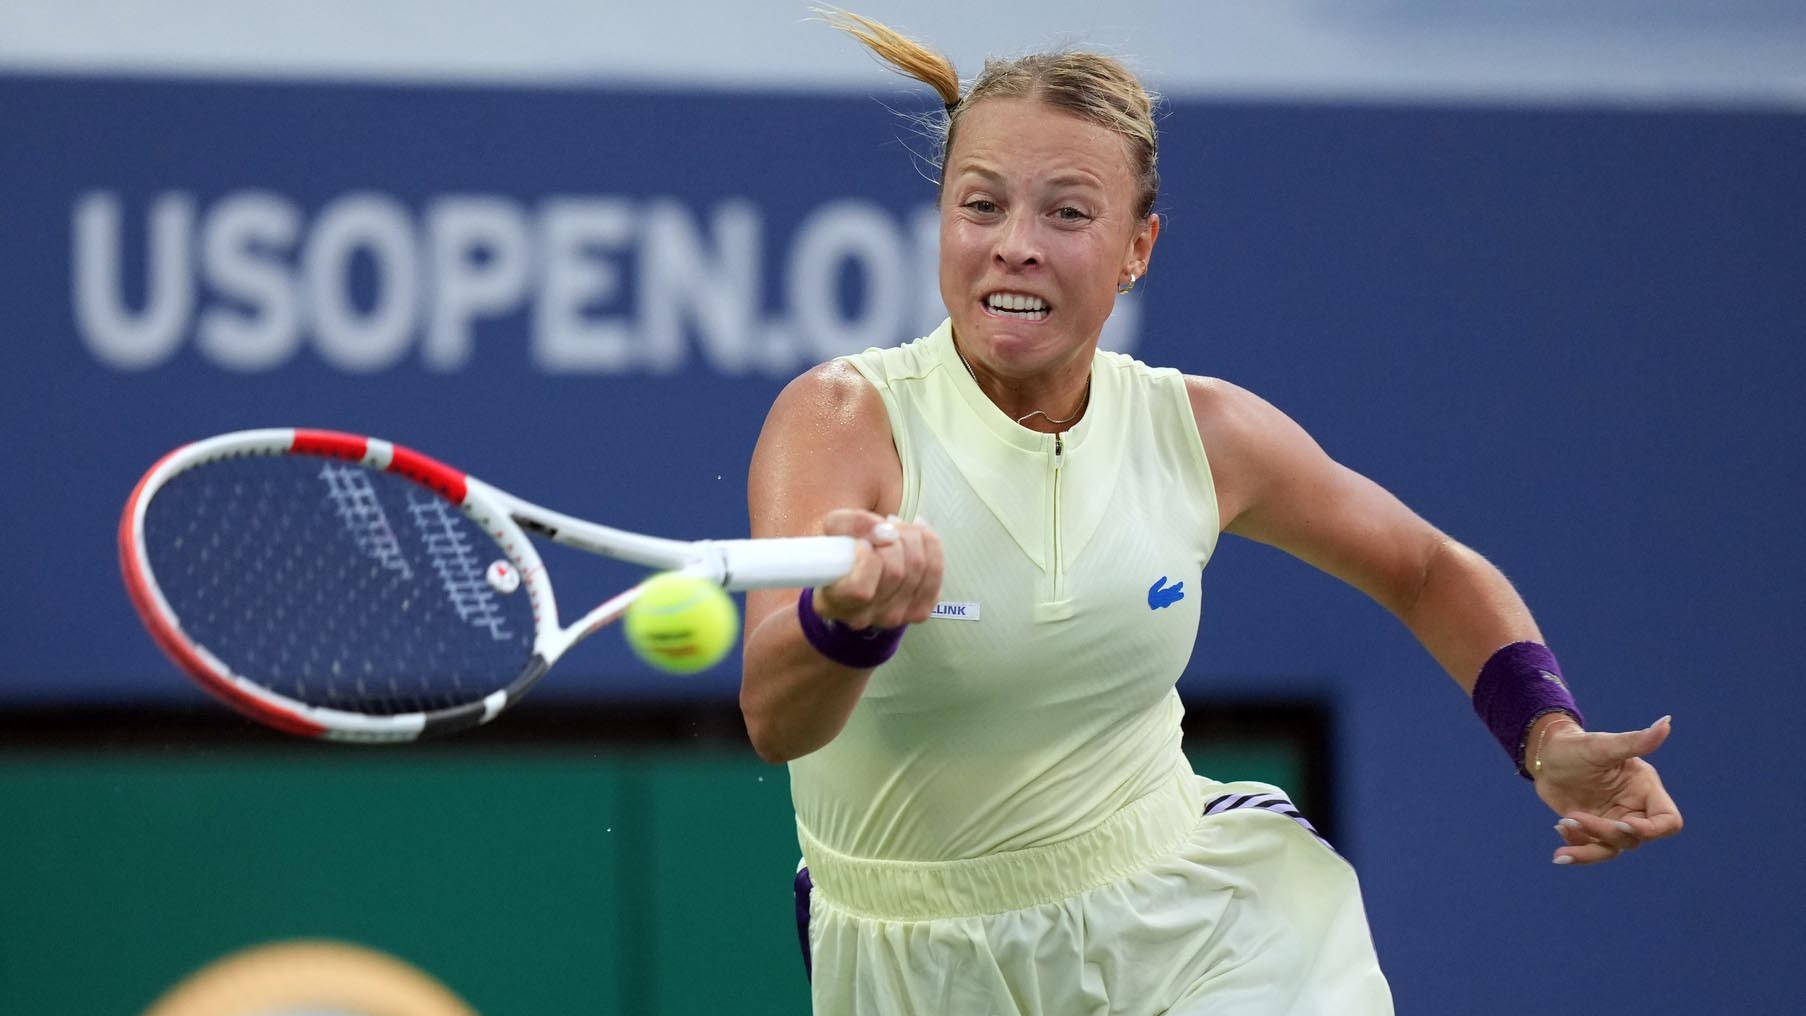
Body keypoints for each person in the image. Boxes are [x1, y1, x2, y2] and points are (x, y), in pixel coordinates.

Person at [740, 11, 1683, 1015]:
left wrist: (1545, 733)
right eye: (981, 205)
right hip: (914, 960)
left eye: (1067, 213)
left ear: (1136, 245)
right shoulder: (844, 416)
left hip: (1192, 924)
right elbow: (773, 717)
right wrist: (844, 624)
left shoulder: (1201, 431)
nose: (1014, 246)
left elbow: (1424, 568)